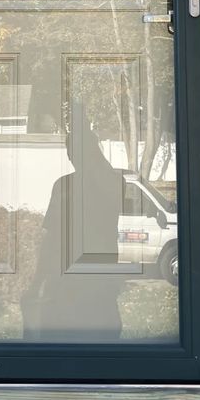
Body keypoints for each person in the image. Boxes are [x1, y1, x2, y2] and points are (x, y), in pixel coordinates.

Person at [21, 101, 126, 341]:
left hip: (86, 285)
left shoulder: (82, 185)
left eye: (74, 152)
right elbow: (50, 241)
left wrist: (37, 283)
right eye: (70, 153)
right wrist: (37, 283)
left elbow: (49, 241)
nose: (71, 158)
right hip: (78, 284)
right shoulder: (77, 185)